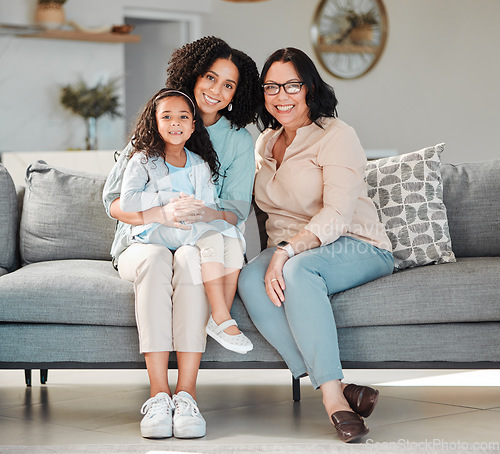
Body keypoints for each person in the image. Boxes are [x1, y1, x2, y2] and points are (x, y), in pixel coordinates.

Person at [103, 36, 259, 440]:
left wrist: (199, 213)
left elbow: (235, 210)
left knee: (190, 260)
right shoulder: (153, 130)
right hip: (144, 242)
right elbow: (114, 202)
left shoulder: (239, 142)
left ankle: (186, 395)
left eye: (229, 85)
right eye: (211, 77)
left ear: (236, 95)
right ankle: (158, 396)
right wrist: (159, 211)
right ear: (193, 74)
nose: (216, 90)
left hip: (198, 239)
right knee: (156, 259)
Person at [237, 47, 395, 443]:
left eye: (292, 84)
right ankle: (337, 388)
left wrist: (288, 252)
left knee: (296, 270)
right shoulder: (265, 142)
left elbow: (338, 214)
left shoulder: (337, 135)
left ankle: (333, 402)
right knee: (248, 279)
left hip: (354, 243)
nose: (281, 95)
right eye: (271, 86)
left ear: (309, 88)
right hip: (290, 247)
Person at [120, 88, 252, 355]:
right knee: (211, 238)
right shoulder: (143, 160)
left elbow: (206, 203)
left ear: (193, 126)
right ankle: (220, 315)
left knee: (232, 236)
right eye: (166, 117)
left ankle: (220, 315)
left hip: (186, 226)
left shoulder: (199, 164)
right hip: (156, 229)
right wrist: (166, 201)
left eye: (182, 117)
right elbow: (127, 201)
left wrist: (198, 210)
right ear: (154, 124)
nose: (175, 123)